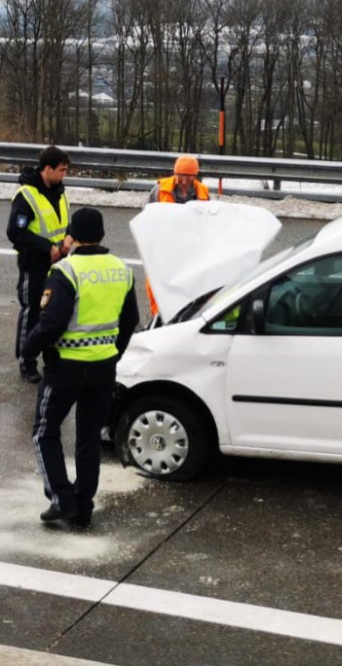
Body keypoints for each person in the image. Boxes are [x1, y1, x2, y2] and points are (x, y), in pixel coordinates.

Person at [22, 208, 140, 529]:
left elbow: (51, 323)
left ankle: (62, 499)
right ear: (102, 235)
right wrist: (114, 354)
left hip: (66, 369)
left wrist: (28, 350)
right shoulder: (122, 270)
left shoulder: (66, 270)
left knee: (45, 431)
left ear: (72, 235)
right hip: (103, 369)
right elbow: (130, 320)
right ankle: (83, 506)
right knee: (88, 437)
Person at [7, 146, 71, 384]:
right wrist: (47, 247)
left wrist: (68, 238)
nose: (65, 174)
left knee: (54, 313)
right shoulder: (27, 195)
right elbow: (15, 232)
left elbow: (66, 222)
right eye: (62, 170)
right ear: (48, 169)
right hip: (34, 264)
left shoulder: (60, 192)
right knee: (32, 313)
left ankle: (50, 357)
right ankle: (26, 361)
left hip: (58, 264)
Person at [144, 154, 210, 318]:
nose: (184, 180)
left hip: (191, 250)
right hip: (165, 249)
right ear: (175, 173)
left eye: (188, 176)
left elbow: (208, 220)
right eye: (180, 175)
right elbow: (146, 217)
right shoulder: (159, 190)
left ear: (194, 176)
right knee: (157, 286)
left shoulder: (202, 192)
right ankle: (158, 317)